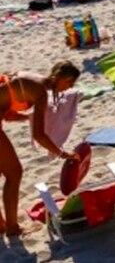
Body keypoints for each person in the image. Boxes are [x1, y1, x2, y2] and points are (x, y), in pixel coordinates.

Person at [0, 61, 82, 236]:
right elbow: (39, 135)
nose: (69, 88)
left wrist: (25, 118)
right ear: (58, 76)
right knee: (14, 173)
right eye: (69, 82)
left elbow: (6, 110)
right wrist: (62, 153)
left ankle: (1, 225)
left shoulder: (35, 81)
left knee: (5, 171)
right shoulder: (40, 92)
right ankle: (13, 229)